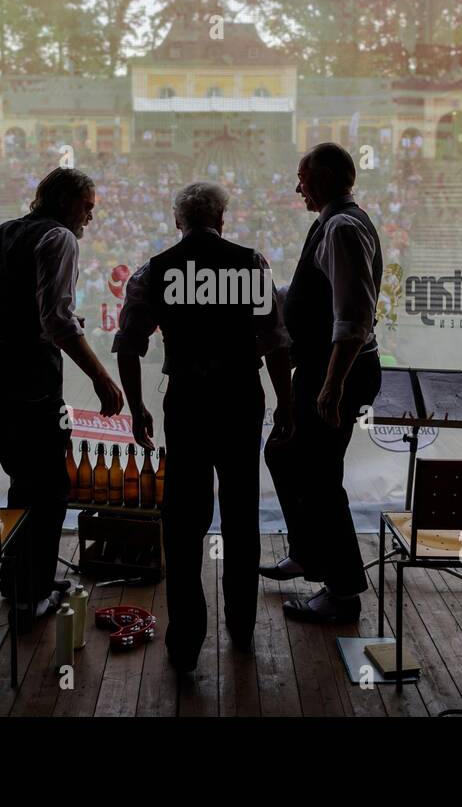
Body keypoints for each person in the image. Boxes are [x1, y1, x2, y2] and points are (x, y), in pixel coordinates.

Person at [113, 182, 294, 672]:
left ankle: (187, 639)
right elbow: (276, 342)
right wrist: (288, 405)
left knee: (184, 518)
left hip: (188, 401)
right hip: (240, 397)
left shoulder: (156, 271)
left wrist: (136, 408)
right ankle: (241, 626)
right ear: (223, 217)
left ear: (178, 222)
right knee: (240, 512)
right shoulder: (251, 264)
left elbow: (128, 344)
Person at [0, 166, 124, 630]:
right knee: (50, 486)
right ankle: (30, 594)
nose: (90, 218)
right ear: (63, 203)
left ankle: (20, 581)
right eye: (87, 207)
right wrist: (102, 378)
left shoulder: (2, 232)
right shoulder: (59, 239)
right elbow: (56, 320)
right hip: (26, 375)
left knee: (23, 479)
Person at [261, 142, 383, 624]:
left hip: (336, 373)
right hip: (327, 370)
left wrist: (332, 386)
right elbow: (316, 295)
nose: (297, 187)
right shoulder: (334, 224)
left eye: (303, 178)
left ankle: (343, 591)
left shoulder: (342, 228)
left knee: (320, 479)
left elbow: (354, 316)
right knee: (283, 454)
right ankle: (309, 554)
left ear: (327, 177)